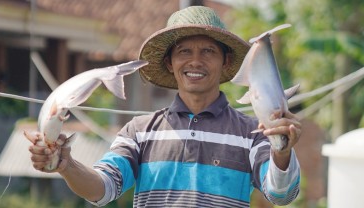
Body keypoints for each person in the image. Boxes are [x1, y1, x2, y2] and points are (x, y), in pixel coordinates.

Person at [26, 6, 301, 208]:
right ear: (170, 63)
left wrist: (281, 150)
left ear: (226, 62)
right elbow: (103, 188)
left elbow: (281, 195)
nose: (195, 61)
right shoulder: (139, 131)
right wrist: (64, 164)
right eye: (184, 52)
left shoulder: (254, 132)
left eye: (208, 51)